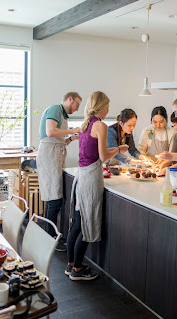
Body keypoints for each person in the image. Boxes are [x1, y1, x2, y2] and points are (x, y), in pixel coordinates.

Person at [66, 91, 128, 281]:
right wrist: (119, 149)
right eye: (108, 105)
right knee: (87, 223)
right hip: (92, 179)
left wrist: (116, 150)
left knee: (77, 223)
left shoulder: (86, 125)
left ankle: (70, 265)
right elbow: (103, 157)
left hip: (81, 177)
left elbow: (97, 152)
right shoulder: (100, 125)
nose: (109, 108)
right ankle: (77, 270)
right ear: (101, 106)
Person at [37, 92, 82, 251]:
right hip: (49, 157)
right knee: (53, 198)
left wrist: (72, 138)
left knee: (55, 197)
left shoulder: (62, 116)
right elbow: (50, 132)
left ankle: (51, 237)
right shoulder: (55, 109)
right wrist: (71, 131)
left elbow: (58, 139)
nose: (77, 109)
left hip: (55, 156)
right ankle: (50, 240)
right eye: (77, 105)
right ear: (70, 99)